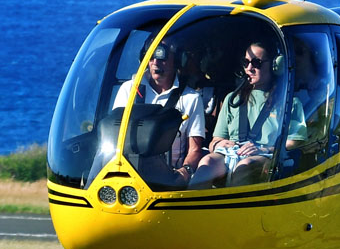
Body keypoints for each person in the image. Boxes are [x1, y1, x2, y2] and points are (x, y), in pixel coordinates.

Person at [190, 40, 306, 188]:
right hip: (231, 153)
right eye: (246, 62)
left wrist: (264, 149)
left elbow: (295, 142)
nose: (249, 68)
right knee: (207, 162)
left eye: (256, 63)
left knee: (245, 166)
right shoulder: (232, 99)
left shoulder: (290, 102)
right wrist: (220, 143)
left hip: (266, 156)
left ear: (275, 65)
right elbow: (216, 140)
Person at [112, 38, 206, 187]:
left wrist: (184, 172)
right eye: (151, 55)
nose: (155, 62)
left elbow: (195, 149)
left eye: (162, 55)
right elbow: (113, 135)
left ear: (177, 59)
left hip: (167, 178)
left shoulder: (191, 98)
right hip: (127, 172)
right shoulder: (129, 90)